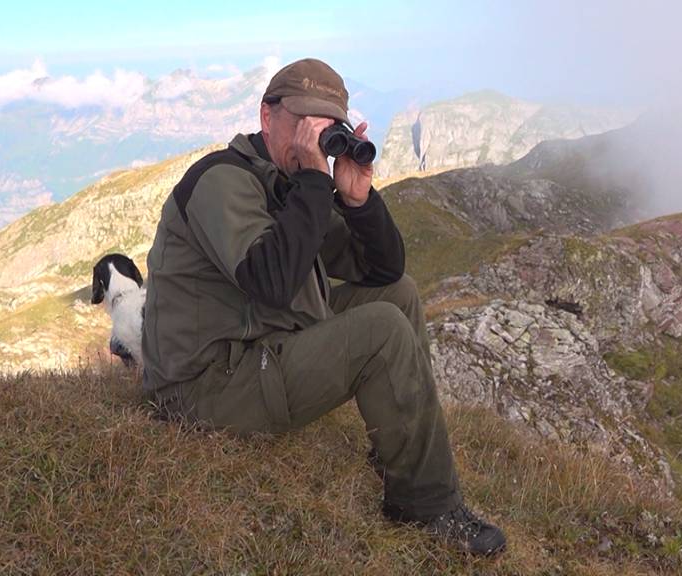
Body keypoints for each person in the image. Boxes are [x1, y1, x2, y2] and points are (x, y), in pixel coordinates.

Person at [141, 58, 506, 556]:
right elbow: (268, 280)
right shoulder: (220, 180)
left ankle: (398, 454)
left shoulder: (286, 183)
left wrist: (358, 201)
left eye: (327, 128)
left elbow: (381, 270)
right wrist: (316, 183)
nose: (312, 139)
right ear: (266, 117)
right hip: (203, 383)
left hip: (261, 341)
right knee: (380, 329)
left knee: (397, 296)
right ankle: (425, 507)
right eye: (303, 123)